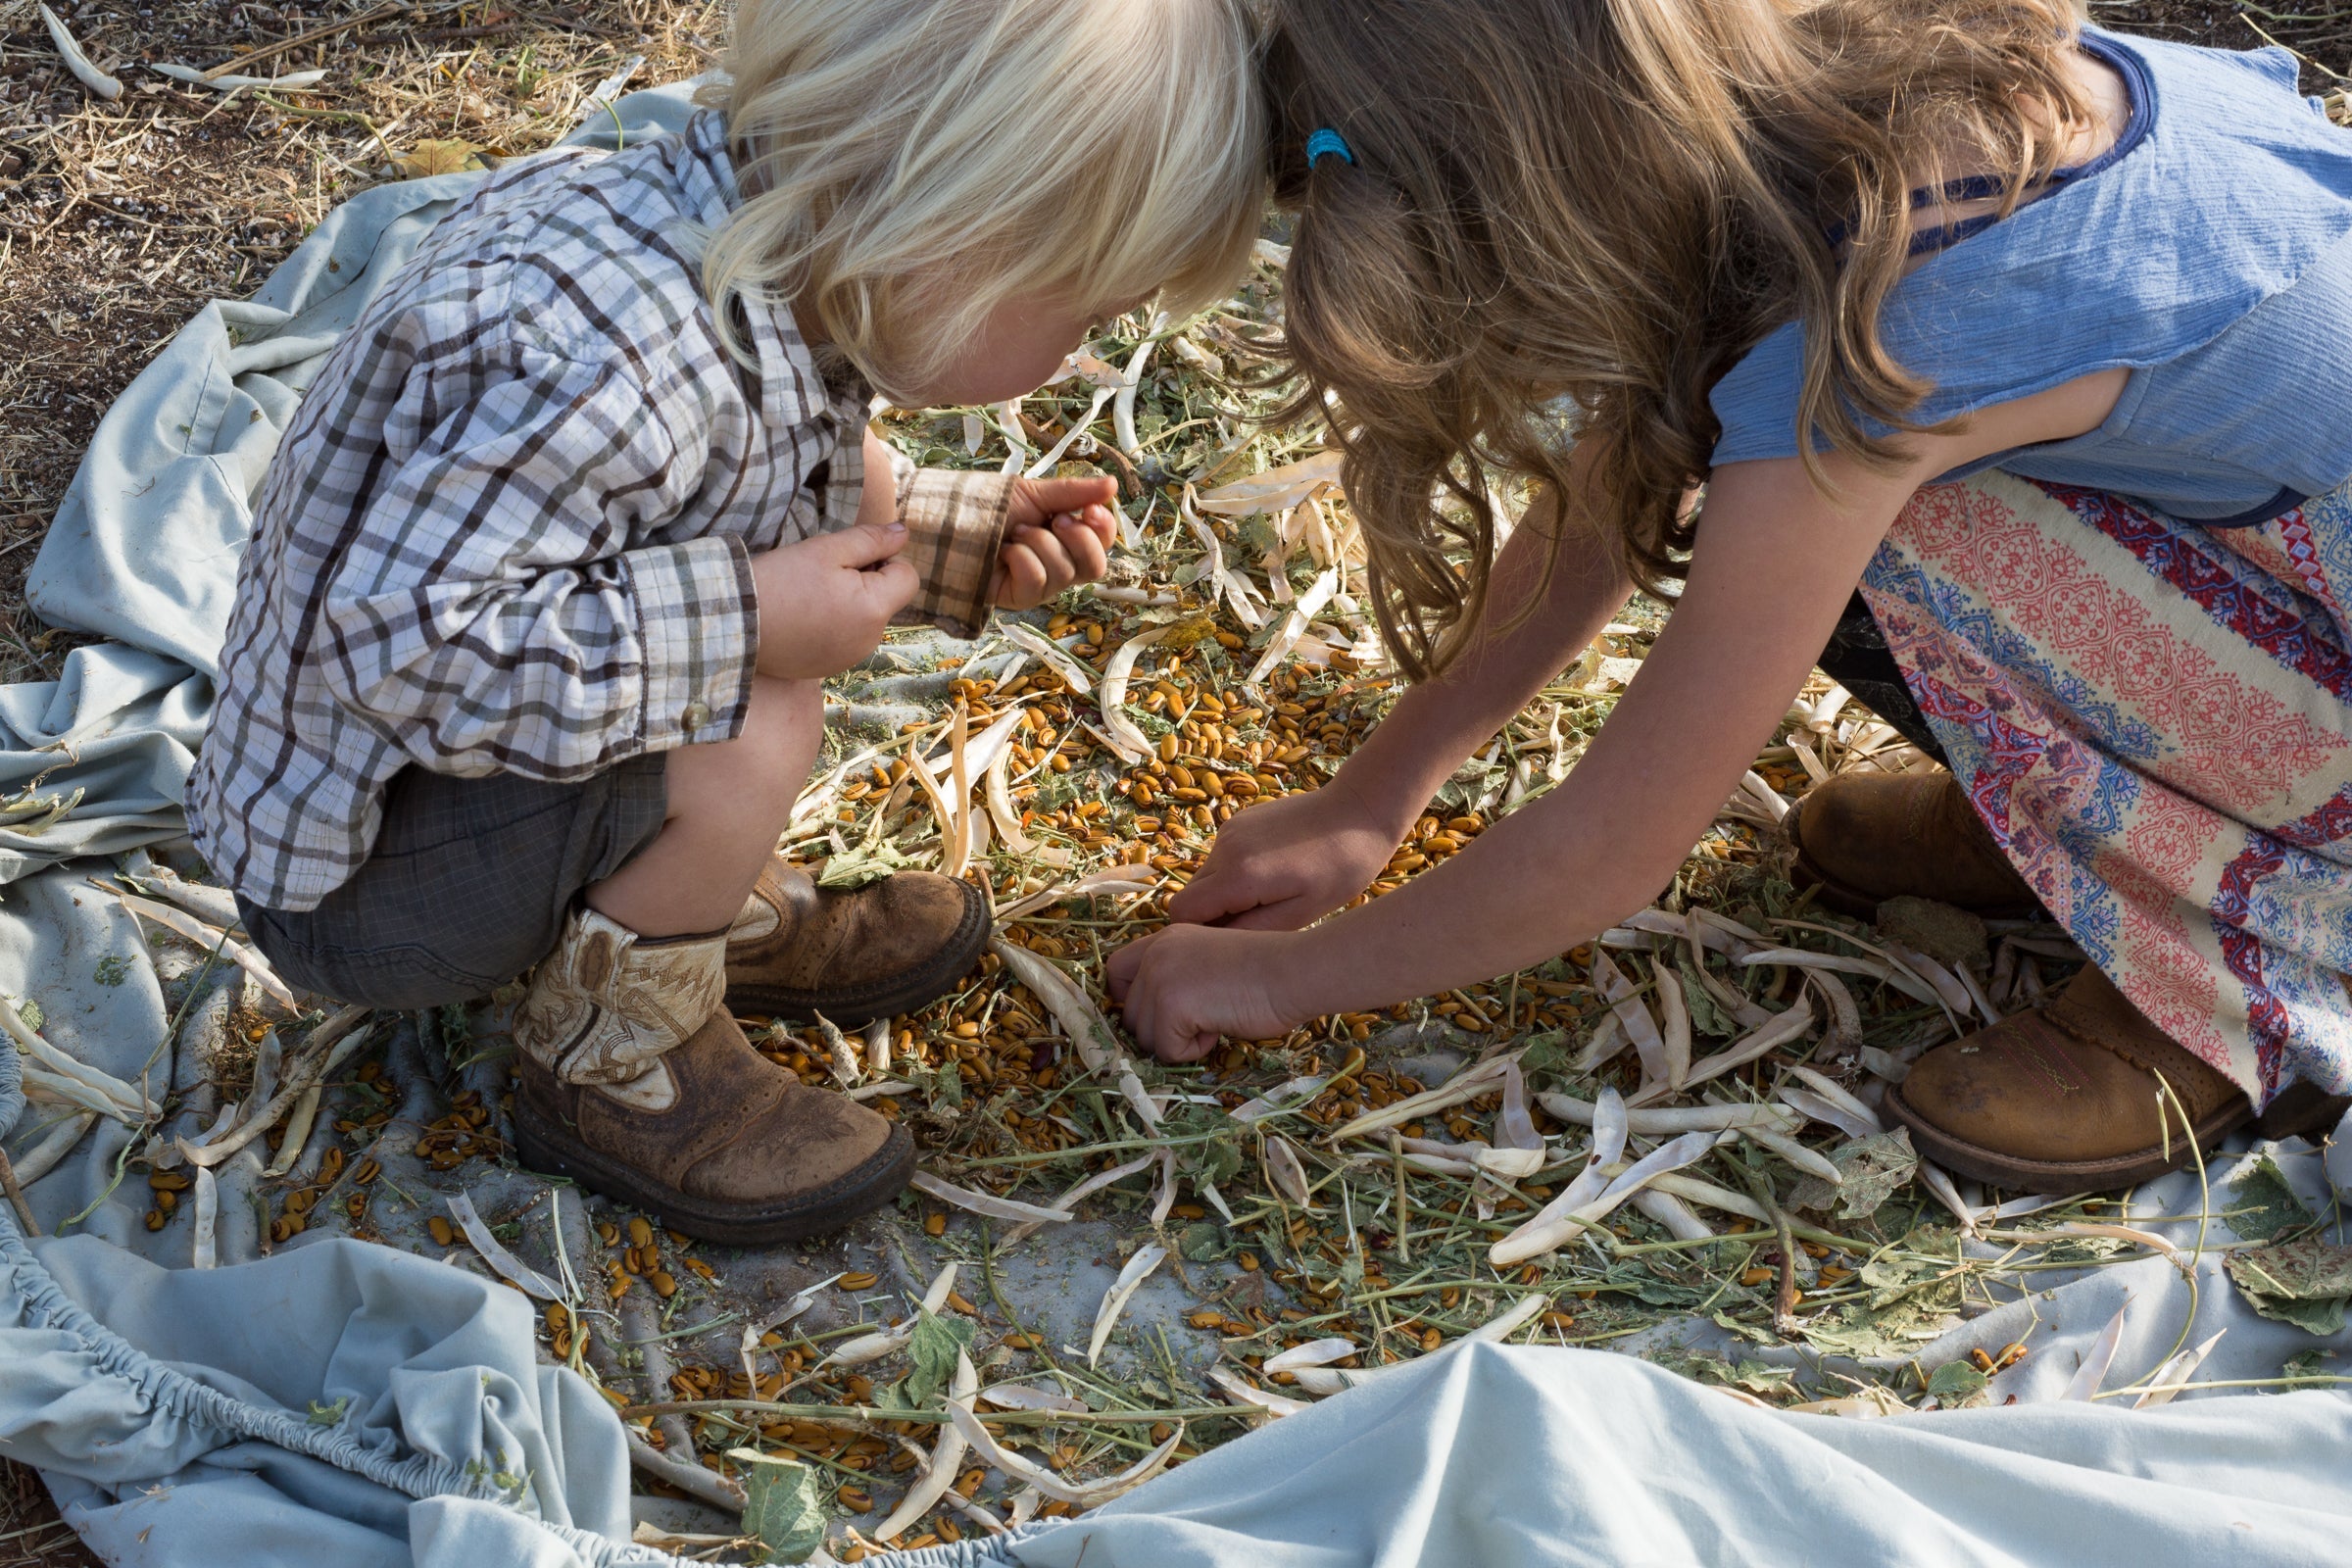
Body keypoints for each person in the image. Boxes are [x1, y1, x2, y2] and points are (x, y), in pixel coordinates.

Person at [1108, 0, 2352, 1192]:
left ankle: (2229, 961)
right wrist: (1374, 789)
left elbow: (1610, 848)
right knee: (1783, 475)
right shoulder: (1859, 102)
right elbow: (1628, 472)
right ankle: (2074, 822)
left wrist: (1275, 987)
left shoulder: (1891, 339)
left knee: (1849, 500)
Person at [190, 0, 1265, 1243]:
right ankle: (611, 1054)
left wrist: (946, 537)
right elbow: (407, 645)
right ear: (956, 230)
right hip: (362, 887)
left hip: (431, 785)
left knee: (764, 628)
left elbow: (754, 471)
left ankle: (669, 916)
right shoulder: (603, 359)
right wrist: (749, 616)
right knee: (757, 719)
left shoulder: (743, 248)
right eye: (1087, 310)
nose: (1086, 352)